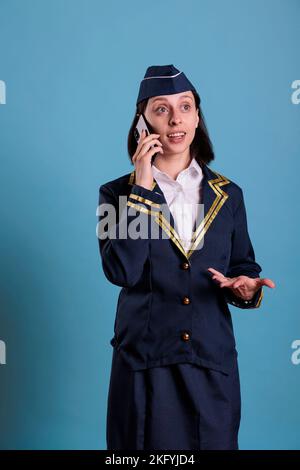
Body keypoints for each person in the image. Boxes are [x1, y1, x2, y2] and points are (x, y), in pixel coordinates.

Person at [97, 64, 275, 450]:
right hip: (144, 363)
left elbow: (243, 266)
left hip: (211, 363)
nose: (176, 119)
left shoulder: (229, 195)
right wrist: (142, 185)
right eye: (161, 109)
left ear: (197, 116)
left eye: (186, 107)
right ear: (142, 122)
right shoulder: (116, 194)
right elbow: (122, 270)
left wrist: (244, 288)